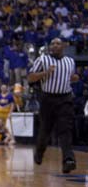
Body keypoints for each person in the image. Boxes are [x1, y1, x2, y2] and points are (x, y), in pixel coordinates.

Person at [29, 38, 79, 173]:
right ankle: (39, 153)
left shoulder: (70, 61)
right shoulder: (42, 60)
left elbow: (73, 77)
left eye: (58, 43)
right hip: (48, 99)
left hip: (65, 98)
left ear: (63, 46)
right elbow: (30, 77)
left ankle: (68, 160)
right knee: (45, 130)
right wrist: (45, 73)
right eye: (52, 43)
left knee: (65, 130)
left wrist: (75, 78)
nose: (55, 46)